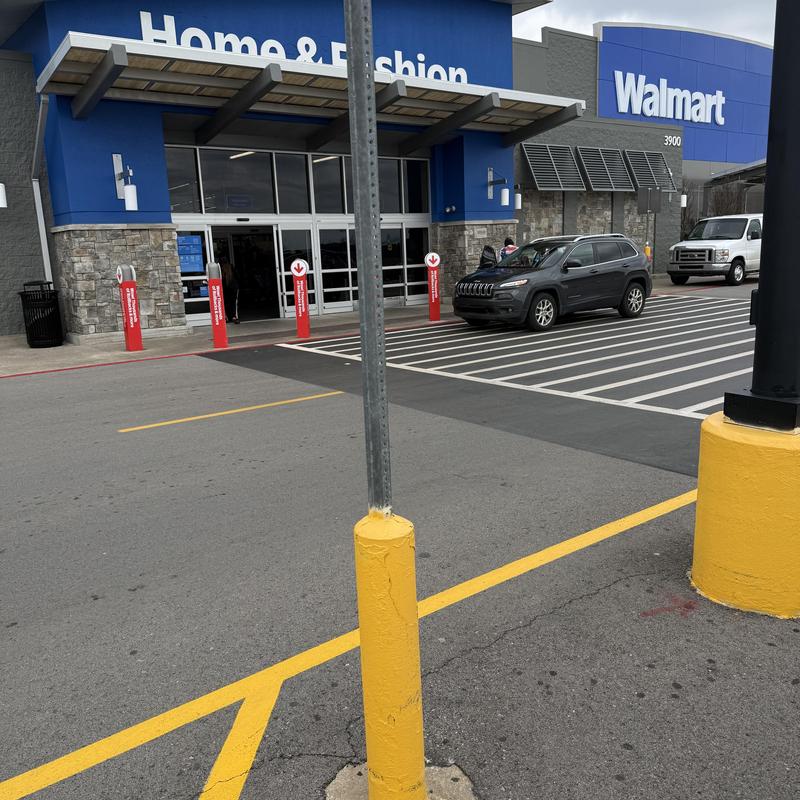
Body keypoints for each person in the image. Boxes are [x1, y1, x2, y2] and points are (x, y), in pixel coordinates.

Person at [220, 257, 240, 324]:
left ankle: (226, 317)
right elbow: (237, 276)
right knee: (233, 303)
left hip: (224, 288)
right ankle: (234, 317)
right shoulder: (231, 267)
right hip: (233, 287)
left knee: (225, 303)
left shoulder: (221, 269)